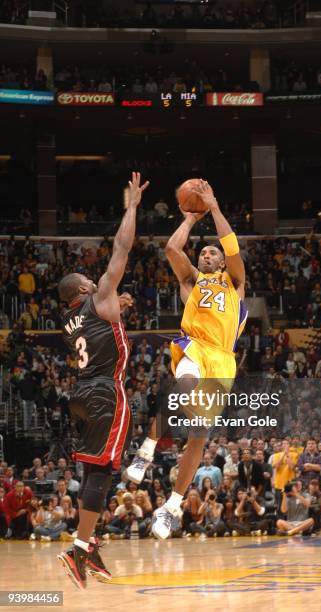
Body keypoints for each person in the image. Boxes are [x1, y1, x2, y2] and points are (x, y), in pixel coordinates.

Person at [127, 179, 247, 540]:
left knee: (198, 435)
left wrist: (214, 208)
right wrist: (191, 220)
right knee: (184, 385)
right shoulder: (191, 282)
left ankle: (173, 506)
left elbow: (231, 245)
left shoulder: (236, 282)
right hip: (195, 345)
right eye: (203, 253)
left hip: (223, 360)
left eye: (212, 253)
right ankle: (145, 450)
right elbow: (171, 248)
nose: (206, 255)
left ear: (222, 261)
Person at [56, 172, 149, 589]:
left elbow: (99, 330)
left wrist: (119, 309)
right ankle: (79, 548)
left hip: (80, 394)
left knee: (97, 471)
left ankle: (86, 543)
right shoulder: (99, 293)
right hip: (105, 392)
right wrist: (131, 206)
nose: (96, 281)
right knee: (105, 473)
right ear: (84, 287)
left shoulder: (68, 318)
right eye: (90, 281)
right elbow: (122, 248)